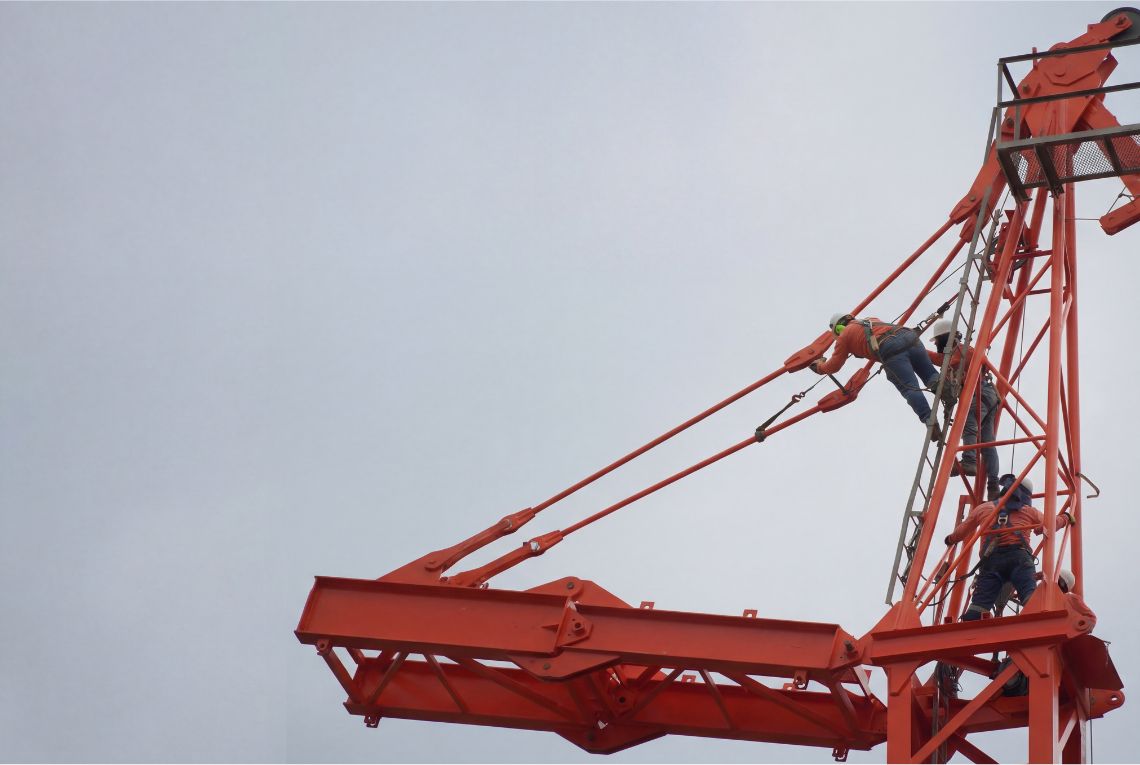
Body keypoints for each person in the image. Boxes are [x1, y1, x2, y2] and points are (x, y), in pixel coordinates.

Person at [944, 474, 1074, 620]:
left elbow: (963, 530)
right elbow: (1051, 524)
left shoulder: (983, 508)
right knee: (1032, 602)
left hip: (991, 562)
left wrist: (950, 539)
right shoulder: (1028, 511)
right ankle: (1040, 624)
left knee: (978, 608)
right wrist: (1066, 518)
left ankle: (971, 631)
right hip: (1019, 559)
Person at [811, 313, 945, 438]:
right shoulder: (870, 320)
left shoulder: (844, 336)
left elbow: (834, 366)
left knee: (909, 387)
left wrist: (819, 367)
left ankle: (929, 419)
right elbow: (866, 339)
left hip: (890, 349)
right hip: (909, 336)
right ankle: (944, 388)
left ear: (839, 329)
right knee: (929, 374)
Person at [927, 319, 1002, 500]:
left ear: (946, 337)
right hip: (988, 395)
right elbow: (939, 359)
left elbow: (952, 361)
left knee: (969, 420)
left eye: (937, 340)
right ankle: (993, 484)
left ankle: (969, 461)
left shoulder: (963, 350)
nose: (936, 343)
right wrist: (915, 351)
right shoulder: (957, 353)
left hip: (981, 392)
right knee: (987, 442)